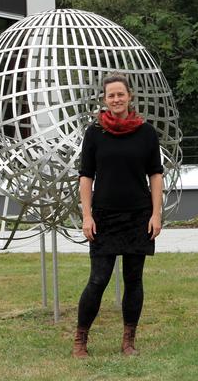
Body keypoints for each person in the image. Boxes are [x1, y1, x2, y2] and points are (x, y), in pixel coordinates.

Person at [73, 73, 164, 358]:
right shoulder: (94, 133)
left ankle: (128, 341)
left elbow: (156, 175)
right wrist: (87, 216)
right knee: (98, 280)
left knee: (133, 280)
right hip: (104, 217)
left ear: (130, 97)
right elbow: (86, 177)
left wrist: (156, 214)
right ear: (104, 99)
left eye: (120, 94)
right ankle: (80, 341)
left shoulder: (146, 133)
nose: (116, 99)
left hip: (138, 216)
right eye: (111, 95)